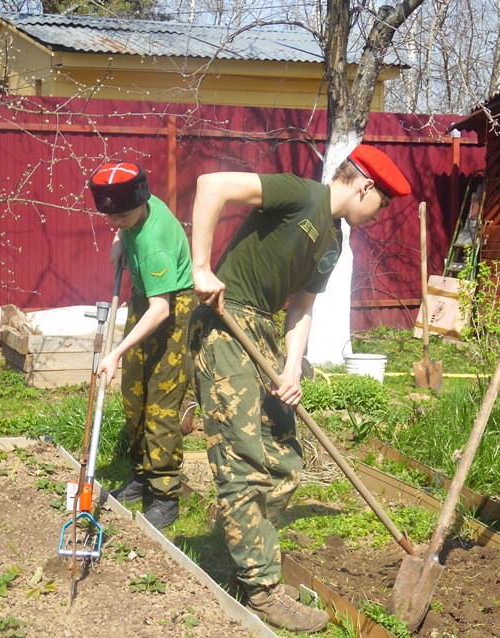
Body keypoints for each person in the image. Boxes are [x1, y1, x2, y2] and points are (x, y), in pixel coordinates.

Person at [187, 146, 411, 632]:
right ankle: (262, 588)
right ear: (364, 186)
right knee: (244, 456)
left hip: (264, 331)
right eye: (383, 202)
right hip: (226, 323)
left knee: (285, 457)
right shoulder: (300, 193)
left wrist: (291, 370)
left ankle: (250, 555)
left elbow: (302, 306)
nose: (381, 214)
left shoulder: (334, 241)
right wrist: (201, 267)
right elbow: (212, 185)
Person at [89, 161, 199, 530]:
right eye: (109, 215)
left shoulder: (155, 244)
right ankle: (141, 473)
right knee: (133, 393)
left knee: (161, 405)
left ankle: (166, 493)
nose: (113, 221)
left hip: (171, 308)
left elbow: (162, 309)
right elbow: (124, 226)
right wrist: (119, 240)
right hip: (145, 301)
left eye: (119, 216)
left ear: (139, 203)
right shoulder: (137, 213)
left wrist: (115, 353)